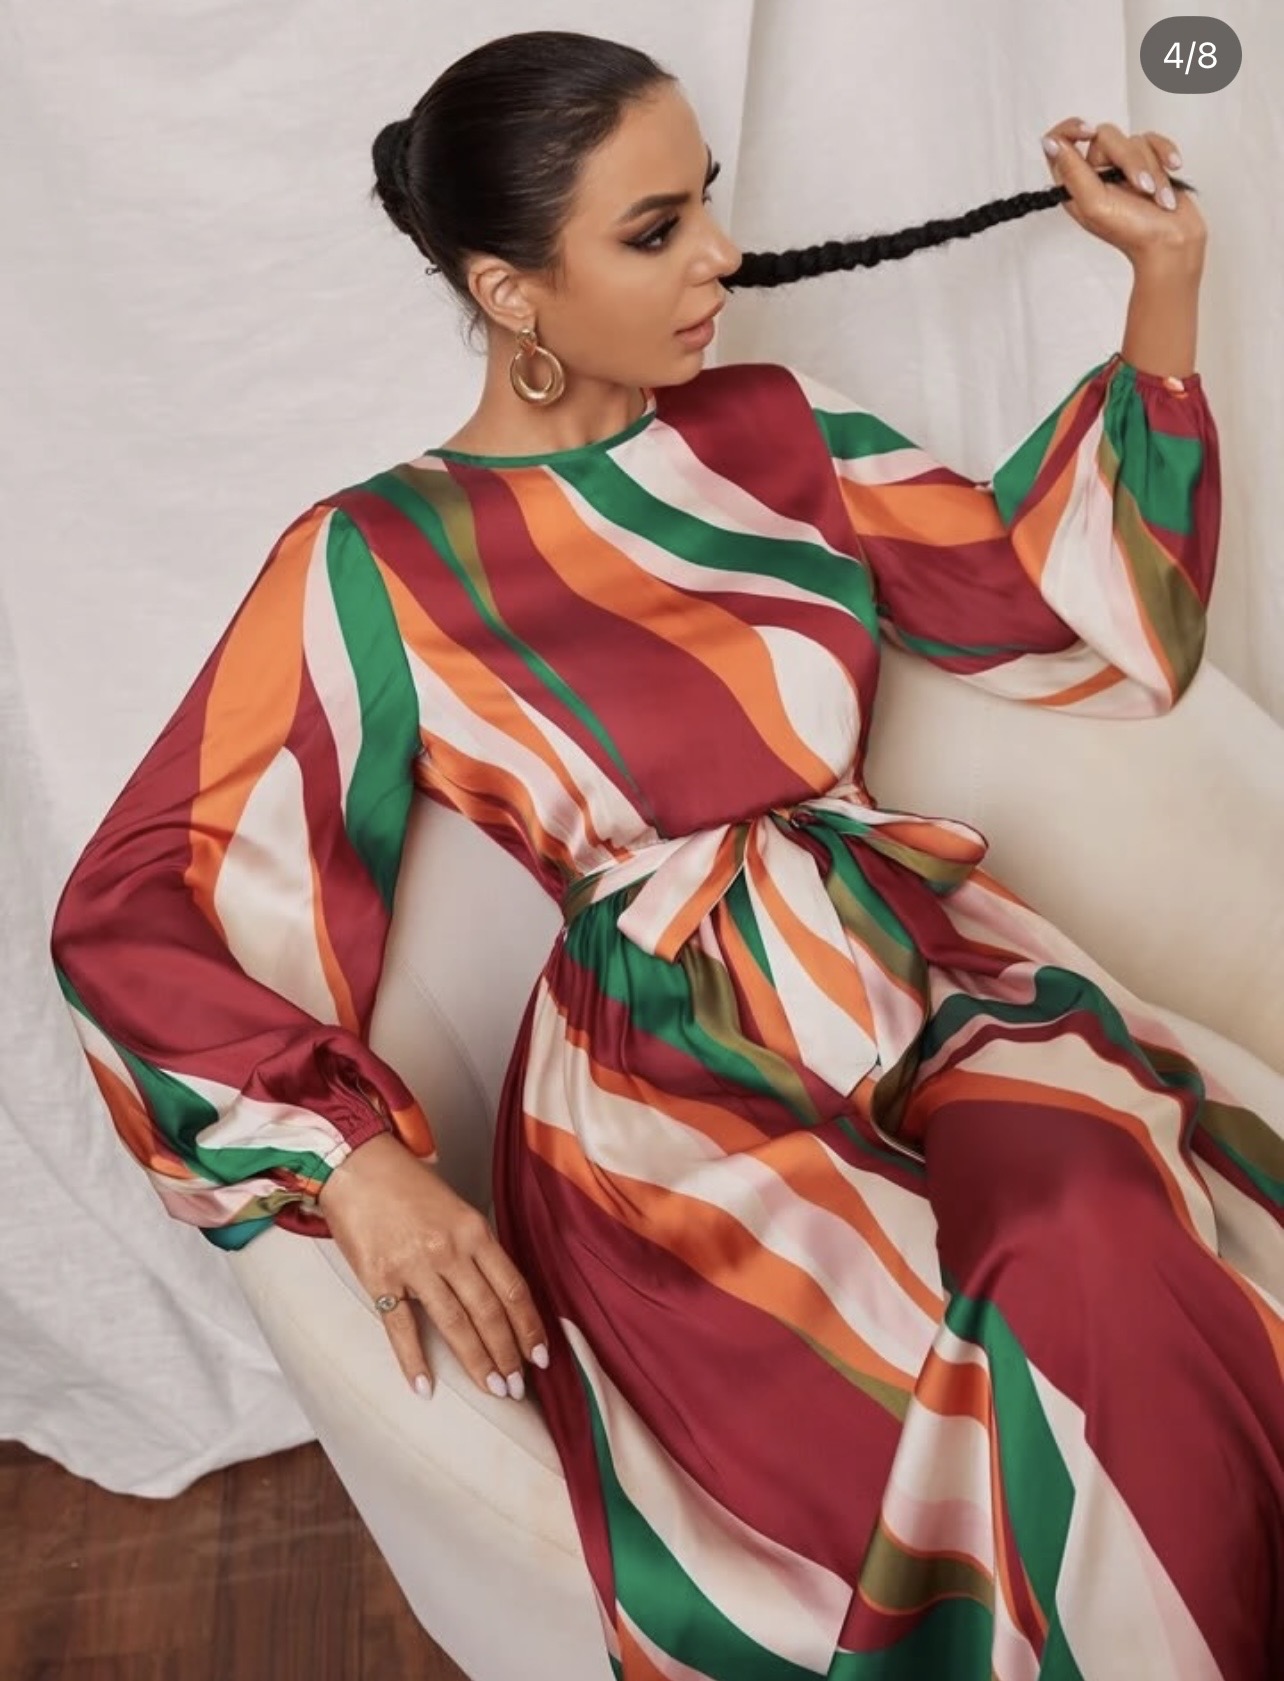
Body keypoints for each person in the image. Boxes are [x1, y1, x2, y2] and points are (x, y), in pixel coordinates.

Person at [49, 27, 1281, 1680]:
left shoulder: (783, 432)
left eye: (706, 199)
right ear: (512, 291)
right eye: (654, 231)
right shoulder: (375, 560)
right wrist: (354, 1162)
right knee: (901, 1367)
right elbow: (142, 902)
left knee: (1100, 1228)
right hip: (669, 1092)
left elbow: (1071, 612)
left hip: (919, 974)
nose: (721, 256)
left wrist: (1163, 280)